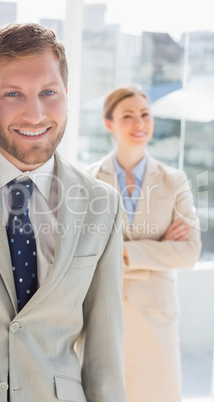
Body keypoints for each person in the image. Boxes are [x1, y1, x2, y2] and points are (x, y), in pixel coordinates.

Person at [0, 23, 127, 402]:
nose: (35, 114)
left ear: (66, 95)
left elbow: (103, 352)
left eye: (48, 92)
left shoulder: (102, 203)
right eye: (13, 94)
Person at [86, 86, 202, 402]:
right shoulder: (88, 180)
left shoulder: (174, 180)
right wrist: (159, 249)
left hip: (155, 314)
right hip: (101, 312)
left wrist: (122, 250)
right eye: (128, 116)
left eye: (144, 114)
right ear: (109, 123)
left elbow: (189, 252)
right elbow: (82, 249)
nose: (139, 123)